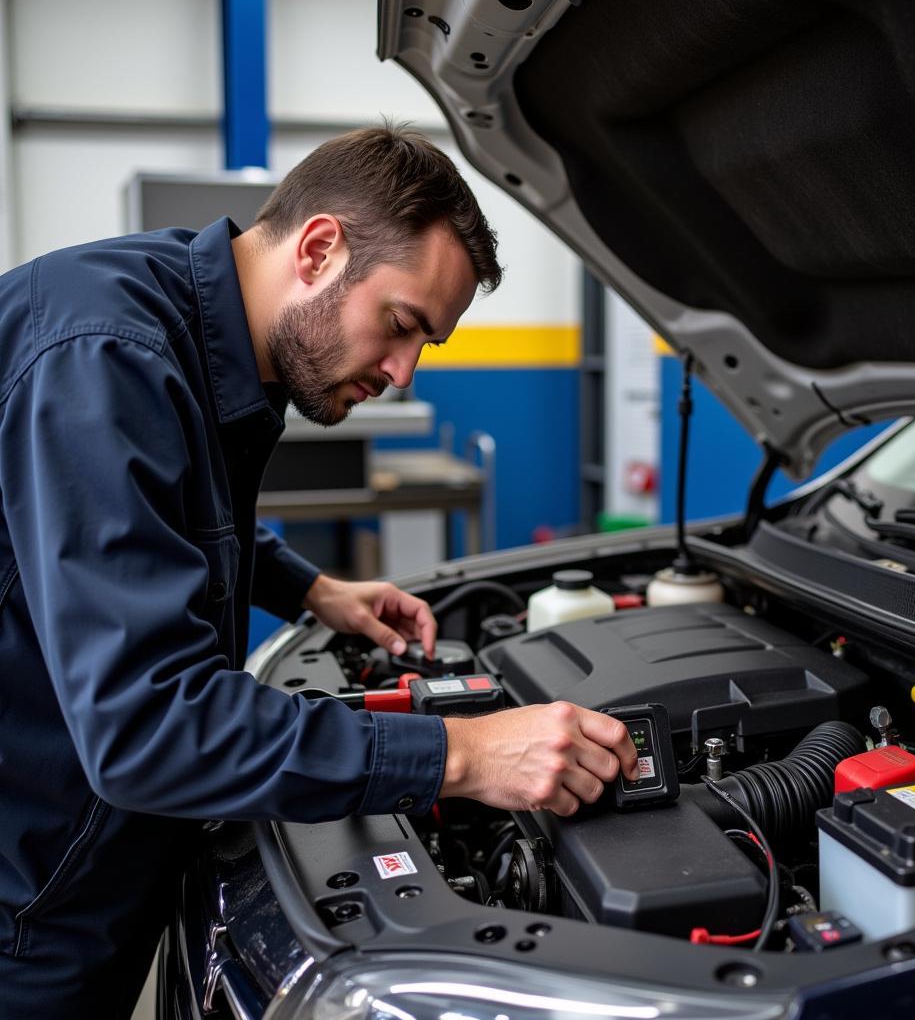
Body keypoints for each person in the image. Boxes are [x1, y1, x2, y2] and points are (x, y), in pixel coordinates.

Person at [0, 124, 638, 1017]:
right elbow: (146, 728)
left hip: (88, 856)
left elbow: (155, 519)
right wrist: (461, 752)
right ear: (320, 247)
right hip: (28, 907)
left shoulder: (187, 324)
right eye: (403, 325)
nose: (406, 373)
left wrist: (308, 587)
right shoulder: (106, 358)